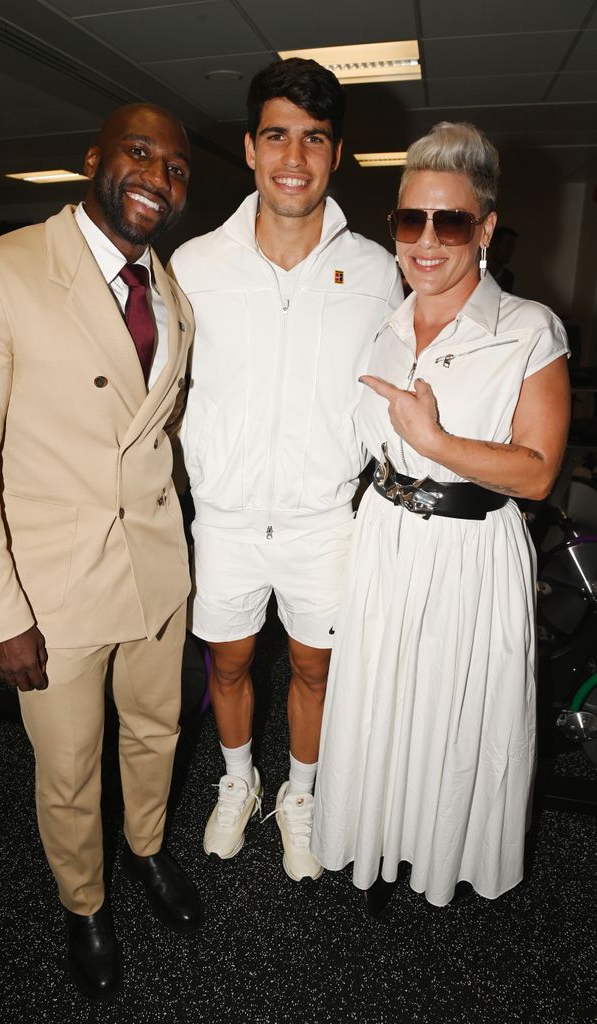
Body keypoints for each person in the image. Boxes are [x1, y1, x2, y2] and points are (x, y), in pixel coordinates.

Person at [0, 103, 203, 1001]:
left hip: (156, 569)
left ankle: (148, 851)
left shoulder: (171, 292)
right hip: (52, 588)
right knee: (72, 768)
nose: (158, 177)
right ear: (95, 159)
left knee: (157, 734)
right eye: (140, 153)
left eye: (177, 168)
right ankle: (84, 904)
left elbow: (161, 434)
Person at [312, 122, 570, 911]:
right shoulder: (384, 325)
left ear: (484, 228)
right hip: (386, 538)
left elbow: (536, 473)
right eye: (408, 220)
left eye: (449, 221)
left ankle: (438, 856)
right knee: (382, 702)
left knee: (454, 712)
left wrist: (435, 439)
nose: (426, 241)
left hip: (468, 552)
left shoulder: (528, 329)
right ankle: (376, 844)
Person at [169, 58, 402, 882]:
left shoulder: (378, 273)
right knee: (227, 662)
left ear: (336, 155)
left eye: (313, 138)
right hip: (225, 518)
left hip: (322, 522)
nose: (293, 156)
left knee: (314, 666)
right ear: (249, 147)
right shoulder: (193, 267)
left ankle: (299, 796)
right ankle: (239, 781)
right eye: (276, 136)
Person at [488, 225, 517, 292]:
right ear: (493, 244)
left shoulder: (508, 278)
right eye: (508, 245)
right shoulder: (475, 273)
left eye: (513, 246)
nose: (511, 250)